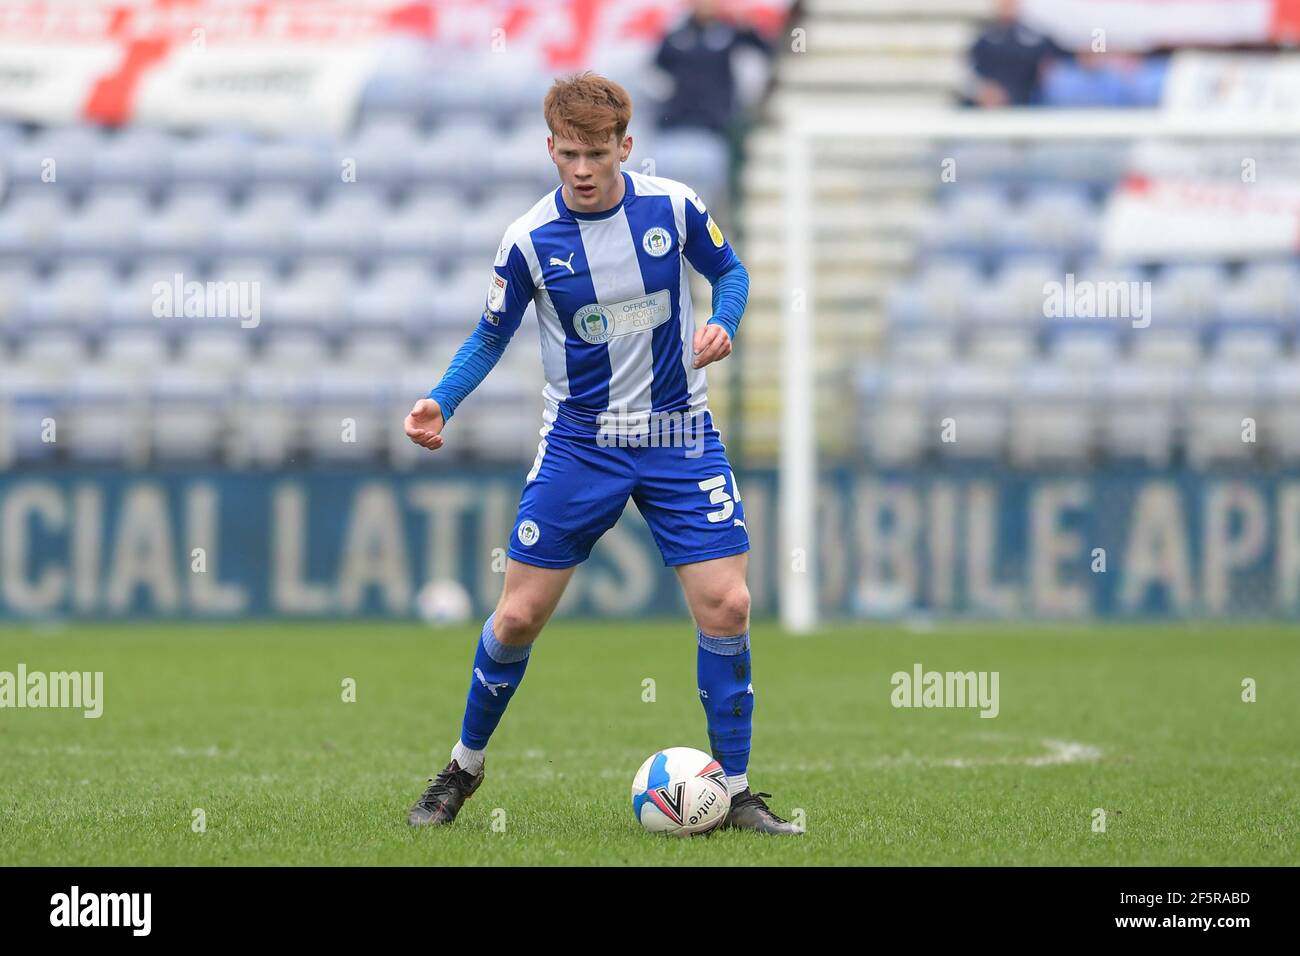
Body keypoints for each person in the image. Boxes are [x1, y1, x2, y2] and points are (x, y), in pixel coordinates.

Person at [401, 72, 801, 835]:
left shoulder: (673, 207)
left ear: (626, 146)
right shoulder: (529, 240)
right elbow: (491, 334)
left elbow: (731, 272)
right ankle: (462, 769)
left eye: (597, 153)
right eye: (568, 154)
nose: (582, 169)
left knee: (729, 603)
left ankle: (739, 790)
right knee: (517, 617)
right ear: (550, 148)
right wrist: (441, 400)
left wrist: (726, 322)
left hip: (679, 431)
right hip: (582, 442)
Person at [967, 0, 1066, 107]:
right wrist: (983, 90)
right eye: (1004, 3)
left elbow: (1053, 62)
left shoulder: (1037, 36)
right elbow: (968, 71)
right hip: (989, 103)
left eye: (1011, 2)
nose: (1007, 5)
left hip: (1027, 102)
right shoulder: (983, 37)